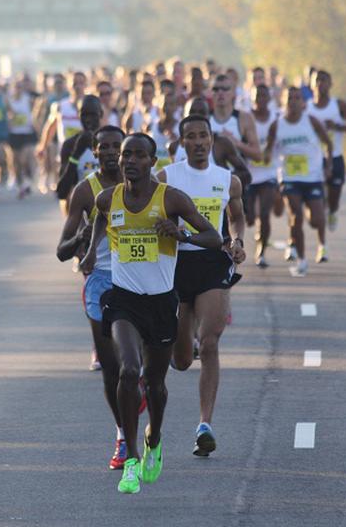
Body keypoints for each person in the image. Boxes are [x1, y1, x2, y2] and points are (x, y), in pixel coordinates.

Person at [81, 133, 222, 494]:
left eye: (138, 155)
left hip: (161, 303)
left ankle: (153, 438)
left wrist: (181, 234)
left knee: (156, 386)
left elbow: (213, 237)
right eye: (126, 154)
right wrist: (91, 252)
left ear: (152, 162)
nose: (129, 160)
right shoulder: (107, 198)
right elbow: (100, 219)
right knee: (127, 371)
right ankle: (130, 460)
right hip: (124, 300)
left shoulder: (170, 198)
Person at [159, 115, 246, 458]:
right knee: (181, 361)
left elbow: (237, 216)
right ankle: (182, 347)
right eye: (191, 137)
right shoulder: (167, 177)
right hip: (177, 264)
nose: (198, 142)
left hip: (213, 263)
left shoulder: (228, 180)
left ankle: (204, 425)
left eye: (204, 136)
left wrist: (238, 240)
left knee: (209, 344)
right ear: (182, 142)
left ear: (212, 140)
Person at [56, 125, 127, 467]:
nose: (112, 152)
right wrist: (82, 237)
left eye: (118, 146)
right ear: (94, 154)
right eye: (105, 147)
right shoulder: (85, 192)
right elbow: (61, 249)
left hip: (140, 281)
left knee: (136, 367)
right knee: (111, 369)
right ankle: (122, 435)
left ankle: (137, 393)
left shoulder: (149, 187)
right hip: (100, 282)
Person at [266, 87, 333, 276]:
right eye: (290, 98)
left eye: (297, 98)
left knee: (317, 219)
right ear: (284, 101)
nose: (294, 101)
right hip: (289, 178)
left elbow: (327, 143)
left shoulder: (310, 121)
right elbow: (269, 152)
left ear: (303, 102)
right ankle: (302, 259)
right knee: (297, 216)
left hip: (312, 177)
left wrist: (328, 166)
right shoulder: (276, 125)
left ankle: (322, 244)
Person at [305, 70, 346, 231]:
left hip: (335, 157)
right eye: (317, 81)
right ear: (311, 85)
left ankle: (332, 211)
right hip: (314, 159)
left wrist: (337, 126)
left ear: (330, 84)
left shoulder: (338, 105)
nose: (320, 84)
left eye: (324, 80)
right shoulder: (306, 107)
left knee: (334, 200)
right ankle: (317, 217)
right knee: (316, 202)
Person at [247, 84, 279, 267]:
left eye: (264, 95)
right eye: (257, 95)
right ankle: (256, 230)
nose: (260, 98)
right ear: (252, 97)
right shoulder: (246, 118)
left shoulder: (275, 119)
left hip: (269, 173)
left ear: (269, 98)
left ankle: (261, 251)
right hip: (249, 174)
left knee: (265, 214)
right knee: (250, 216)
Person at [55, 95, 103, 215]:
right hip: (82, 210)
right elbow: (62, 192)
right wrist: (76, 154)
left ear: (101, 114)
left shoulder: (112, 141)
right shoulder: (70, 145)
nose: (88, 120)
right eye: (84, 115)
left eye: (92, 115)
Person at [209, 74, 262, 164]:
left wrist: (236, 143)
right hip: (212, 176)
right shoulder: (204, 119)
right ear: (211, 93)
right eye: (216, 89)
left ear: (234, 93)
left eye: (225, 89)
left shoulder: (244, 118)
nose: (220, 92)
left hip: (236, 176)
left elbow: (258, 155)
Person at [7, 76, 37, 198]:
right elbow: (6, 114)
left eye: (20, 87)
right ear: (13, 89)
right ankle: (20, 184)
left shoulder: (28, 99)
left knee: (24, 159)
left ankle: (27, 180)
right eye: (16, 87)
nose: (18, 89)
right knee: (15, 161)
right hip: (13, 133)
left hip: (26, 132)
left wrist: (34, 123)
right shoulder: (8, 100)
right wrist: (10, 118)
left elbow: (35, 113)